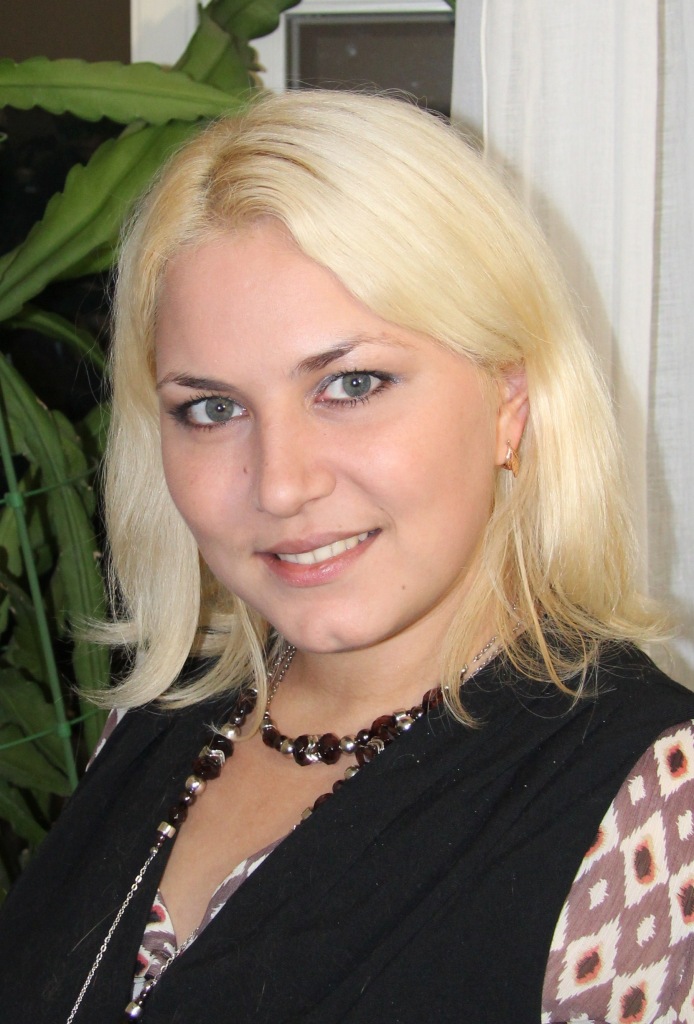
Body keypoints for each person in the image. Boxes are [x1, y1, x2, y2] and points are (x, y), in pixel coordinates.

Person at [0, 89, 692, 1024]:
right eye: (211, 408)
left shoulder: (652, 800)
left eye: (352, 384)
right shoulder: (158, 722)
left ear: (508, 400)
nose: (281, 485)